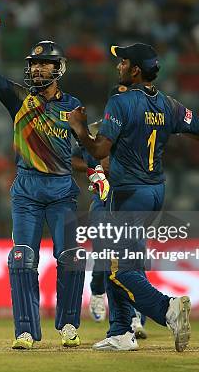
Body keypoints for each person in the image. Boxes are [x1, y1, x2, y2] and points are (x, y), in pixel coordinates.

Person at [68, 43, 199, 352]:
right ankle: (121, 333)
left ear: (135, 70)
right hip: (154, 192)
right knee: (118, 261)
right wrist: (167, 129)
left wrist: (80, 129)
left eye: (123, 62)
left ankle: (167, 309)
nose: (118, 66)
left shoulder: (121, 102)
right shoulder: (169, 105)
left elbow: (99, 151)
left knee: (120, 269)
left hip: (127, 193)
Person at [0, 5, 85, 349]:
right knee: (22, 257)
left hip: (63, 189)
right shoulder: (19, 98)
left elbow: (87, 146)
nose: (36, 69)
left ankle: (68, 326)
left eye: (43, 64)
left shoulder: (74, 106)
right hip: (27, 191)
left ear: (58, 68)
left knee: (71, 257)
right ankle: (25, 330)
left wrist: (95, 169)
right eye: (33, 64)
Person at [72, 118, 148, 339]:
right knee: (104, 255)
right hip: (103, 201)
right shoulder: (96, 134)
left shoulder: (135, 137)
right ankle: (97, 290)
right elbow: (72, 160)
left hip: (130, 204)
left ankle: (135, 318)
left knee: (135, 256)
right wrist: (92, 168)